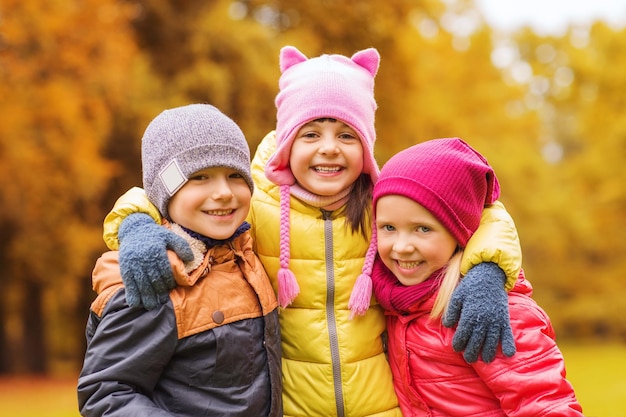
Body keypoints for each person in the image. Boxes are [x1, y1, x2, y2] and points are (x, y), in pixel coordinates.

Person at [101, 47, 523, 416]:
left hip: (381, 406)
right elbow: (159, 191)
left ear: (366, 145)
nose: (328, 147)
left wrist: (487, 269)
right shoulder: (249, 198)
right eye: (310, 133)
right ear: (288, 143)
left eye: (346, 134)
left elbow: (481, 210)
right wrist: (137, 225)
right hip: (296, 407)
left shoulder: (385, 202)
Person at [77, 104, 282, 417]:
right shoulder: (153, 274)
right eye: (200, 177)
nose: (224, 192)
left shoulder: (247, 254)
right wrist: (137, 225)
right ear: (167, 193)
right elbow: (106, 394)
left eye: (234, 175)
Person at [371, 137, 584, 416]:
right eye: (388, 227)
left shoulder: (488, 310)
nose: (401, 246)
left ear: (459, 231)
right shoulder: (395, 300)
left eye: (422, 229)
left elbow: (545, 404)